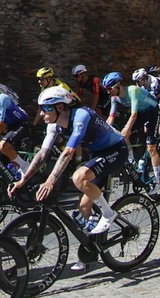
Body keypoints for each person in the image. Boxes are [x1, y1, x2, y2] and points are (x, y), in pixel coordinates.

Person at [12, 85, 131, 272]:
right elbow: (42, 155)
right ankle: (91, 249)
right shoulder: (54, 126)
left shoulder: (81, 116)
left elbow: (68, 153)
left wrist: (50, 181)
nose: (41, 114)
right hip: (98, 154)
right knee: (83, 207)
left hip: (116, 149)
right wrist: (23, 180)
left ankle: (108, 214)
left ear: (60, 107)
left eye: (45, 108)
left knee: (79, 177)